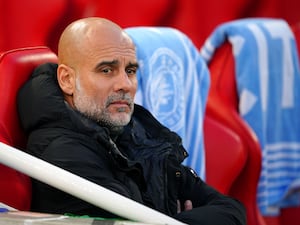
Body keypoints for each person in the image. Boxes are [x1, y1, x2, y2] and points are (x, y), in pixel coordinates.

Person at [17, 17, 246, 225]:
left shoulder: (133, 128)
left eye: (131, 70)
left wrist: (173, 219)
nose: (125, 84)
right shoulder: (64, 153)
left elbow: (232, 210)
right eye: (106, 70)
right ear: (67, 80)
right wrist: (175, 217)